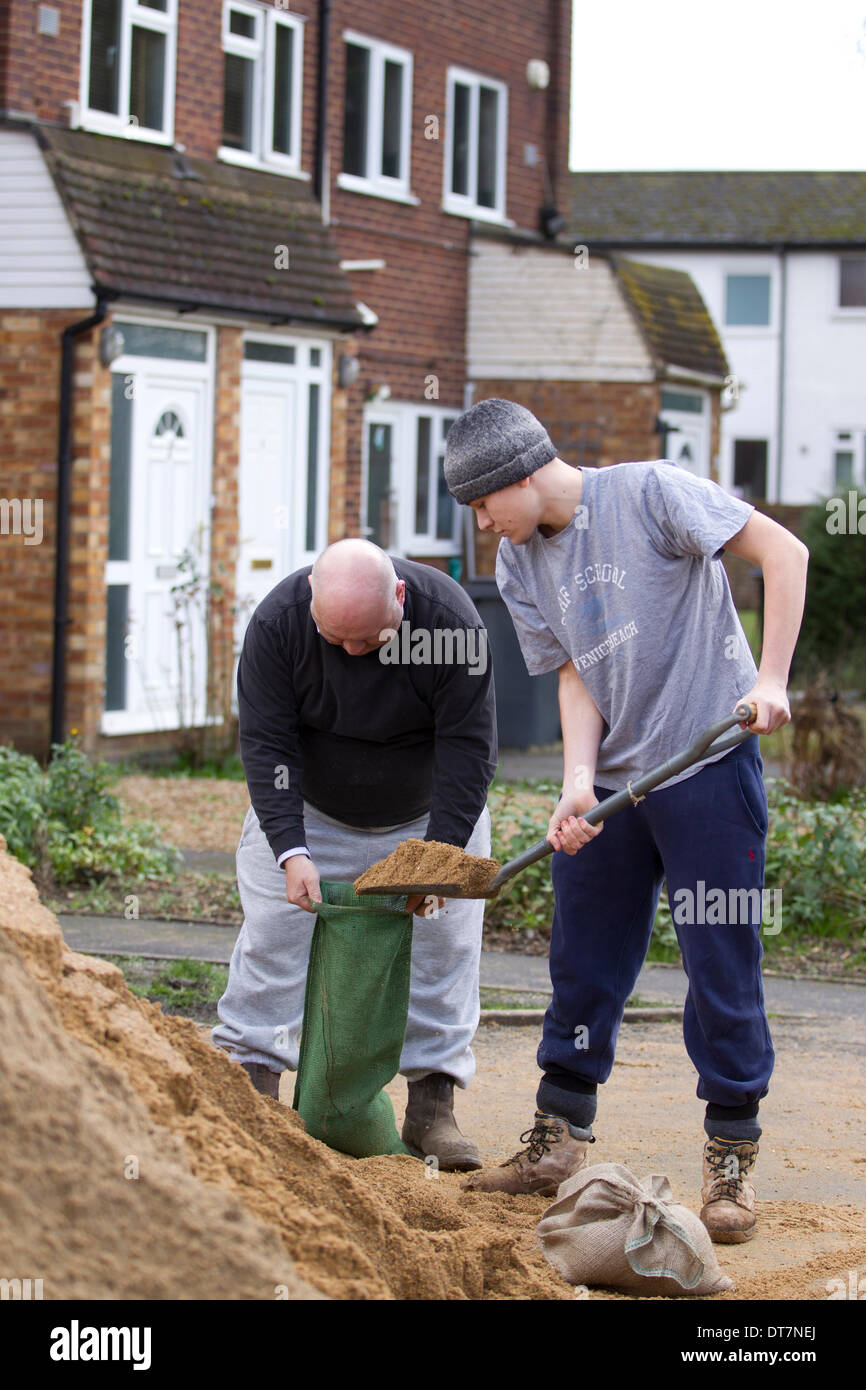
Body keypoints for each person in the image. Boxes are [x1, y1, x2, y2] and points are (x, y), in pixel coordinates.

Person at [443, 398, 809, 1241]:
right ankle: (559, 1134)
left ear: (523, 474)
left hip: (706, 766)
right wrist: (576, 781)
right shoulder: (518, 564)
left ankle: (730, 1153)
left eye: (483, 501)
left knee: (722, 958)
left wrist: (774, 678)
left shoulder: (652, 494)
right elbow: (576, 677)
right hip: (613, 786)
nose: (481, 521)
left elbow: (783, 553)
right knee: (584, 959)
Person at [211, 538, 497, 1171]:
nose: (349, 653)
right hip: (310, 809)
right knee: (273, 936)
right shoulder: (279, 623)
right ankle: (252, 1087)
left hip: (424, 814)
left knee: (445, 946)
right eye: (333, 638)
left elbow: (469, 752)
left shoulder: (450, 624)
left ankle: (432, 1108)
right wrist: (289, 848)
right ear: (311, 602)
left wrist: (440, 858)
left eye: (366, 640)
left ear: (399, 597)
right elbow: (267, 744)